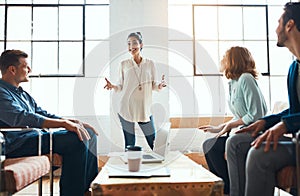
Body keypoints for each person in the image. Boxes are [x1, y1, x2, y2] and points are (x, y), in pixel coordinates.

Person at [0, 49, 98, 196]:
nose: (30, 70)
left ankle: (87, 191)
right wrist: (64, 125)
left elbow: (41, 113)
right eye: (26, 66)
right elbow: (22, 118)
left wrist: (73, 122)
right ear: (12, 69)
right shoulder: (1, 92)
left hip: (33, 138)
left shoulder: (22, 93)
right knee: (75, 139)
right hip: (16, 143)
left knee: (88, 133)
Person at [226, 2, 300, 196]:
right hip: (296, 141)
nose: (275, 29)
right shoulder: (294, 69)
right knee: (236, 142)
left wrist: (284, 125)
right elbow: (294, 111)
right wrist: (265, 122)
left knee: (259, 154)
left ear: (289, 25)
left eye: (278, 22)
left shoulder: (246, 78)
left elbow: (292, 118)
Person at [199, 46, 267, 195]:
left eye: (225, 56)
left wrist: (231, 125)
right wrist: (219, 127)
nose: (222, 59)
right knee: (209, 145)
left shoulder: (246, 79)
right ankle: (227, 188)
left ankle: (233, 190)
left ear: (233, 60)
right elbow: (239, 116)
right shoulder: (233, 83)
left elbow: (256, 114)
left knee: (217, 146)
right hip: (241, 132)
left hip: (254, 133)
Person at [104, 32, 166, 150]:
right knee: (130, 145)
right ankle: (131, 167)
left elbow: (154, 85)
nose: (131, 46)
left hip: (144, 108)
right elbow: (120, 86)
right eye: (128, 44)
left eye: (134, 43)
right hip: (127, 108)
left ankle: (160, 167)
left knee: (154, 143)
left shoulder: (150, 63)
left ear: (141, 44)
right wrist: (113, 86)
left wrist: (160, 86)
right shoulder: (124, 64)